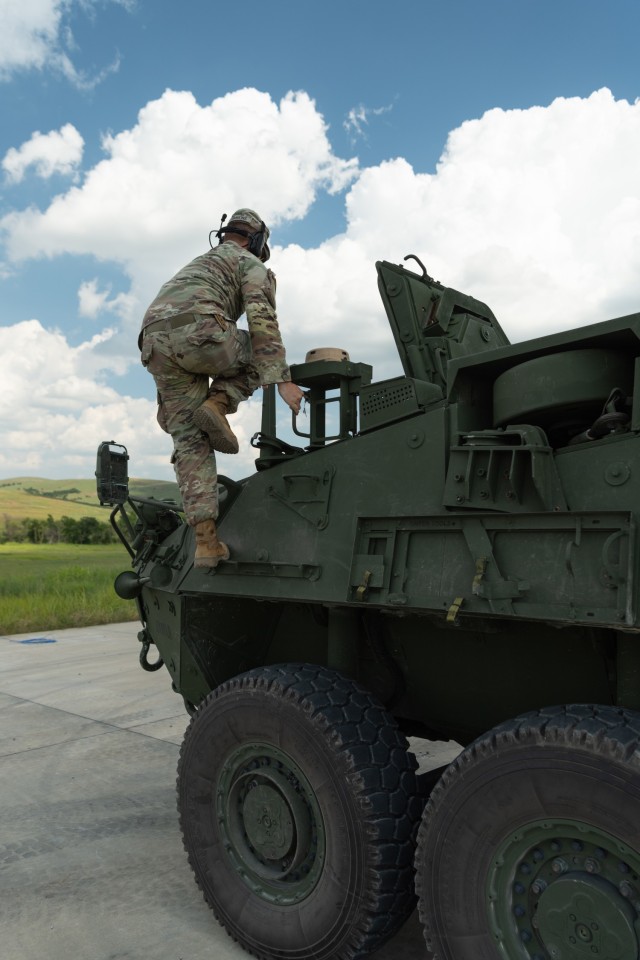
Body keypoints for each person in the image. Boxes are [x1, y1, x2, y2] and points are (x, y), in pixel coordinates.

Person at [139, 208, 304, 568]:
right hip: (203, 332)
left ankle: (206, 543)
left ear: (225, 234)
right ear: (257, 241)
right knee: (262, 356)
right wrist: (282, 380)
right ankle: (220, 402)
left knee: (188, 439)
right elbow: (262, 321)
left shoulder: (197, 264)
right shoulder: (250, 263)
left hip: (153, 342)